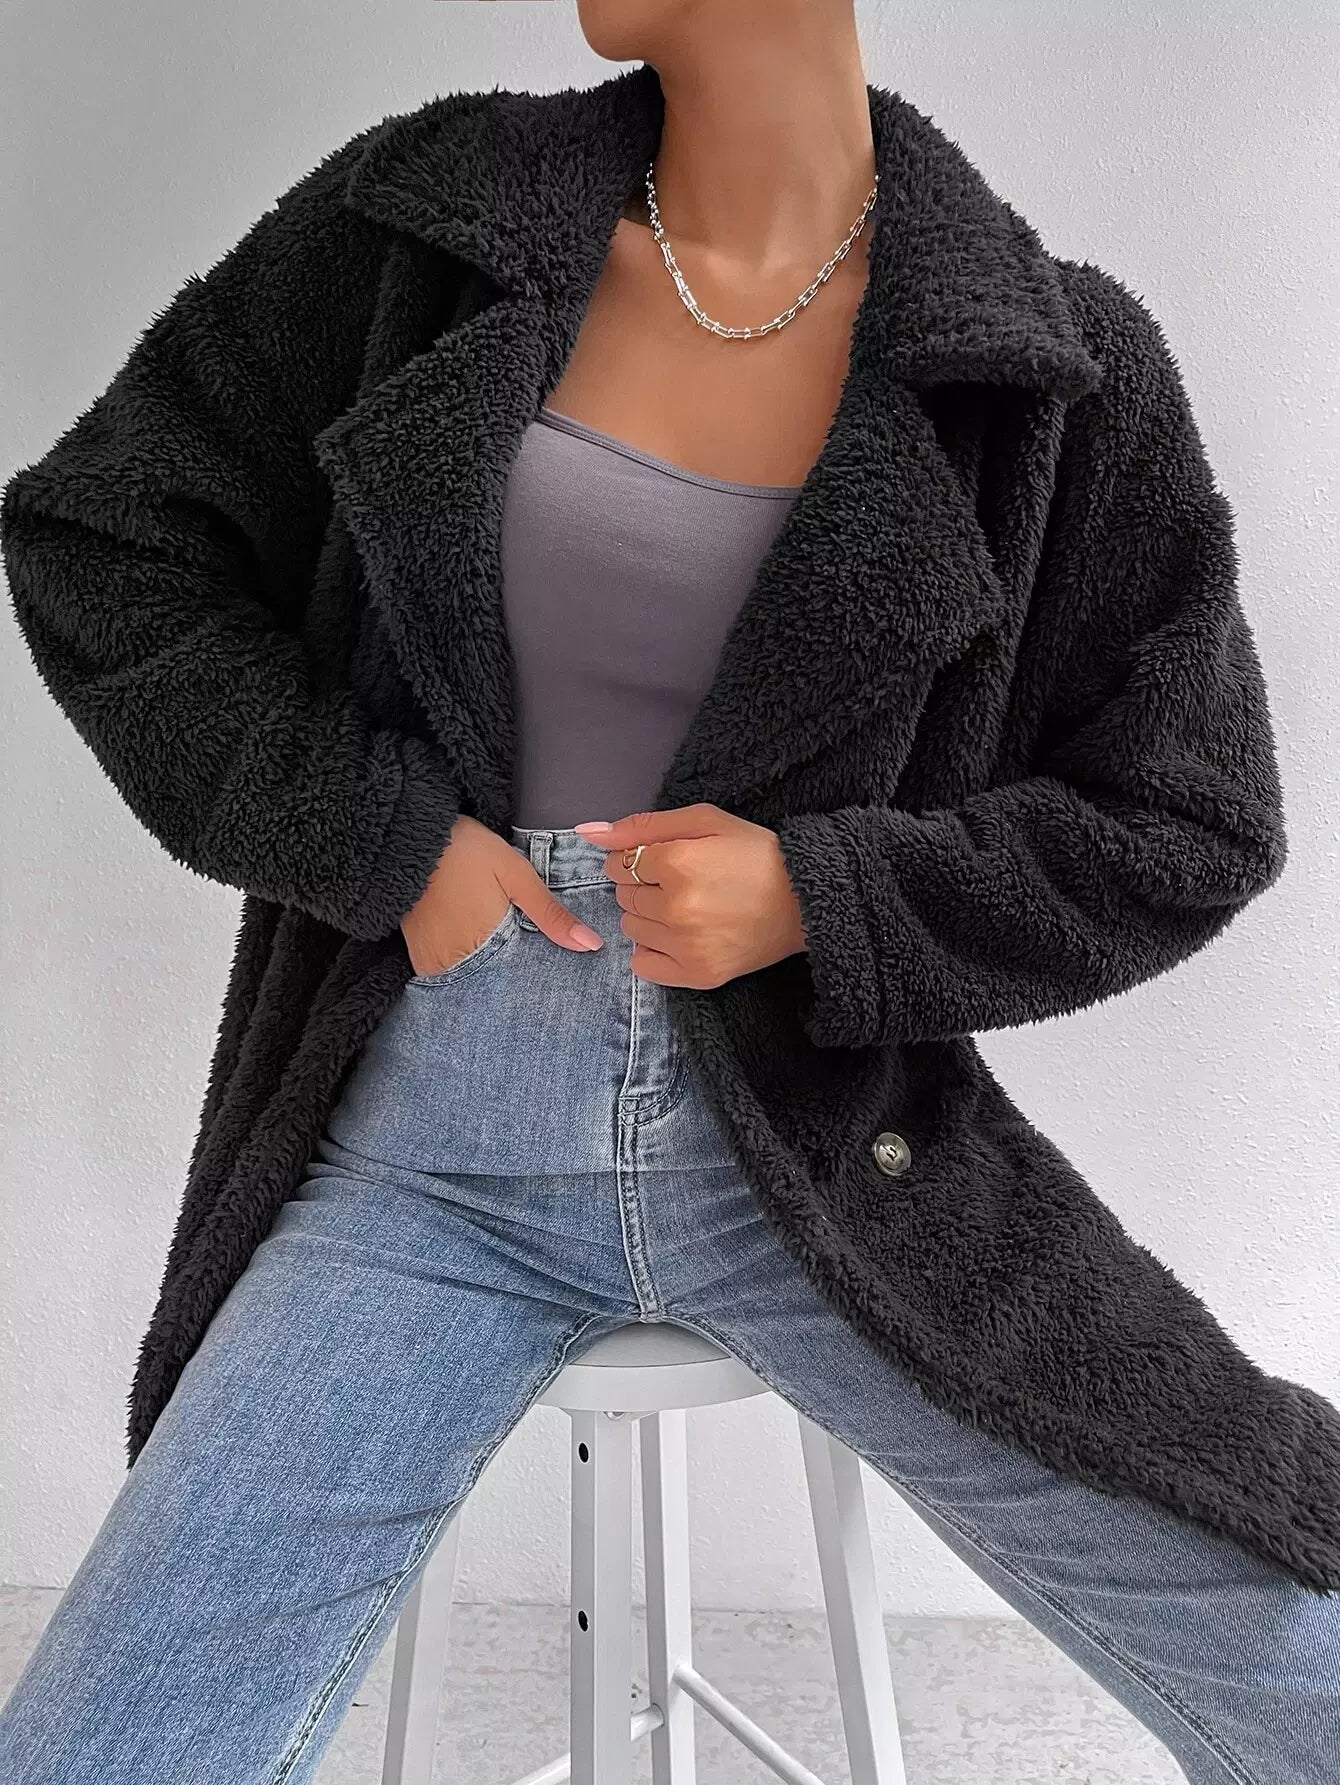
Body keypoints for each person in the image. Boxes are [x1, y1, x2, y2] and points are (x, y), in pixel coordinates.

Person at [3, 2, 1338, 1780]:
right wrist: (385, 837)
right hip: (424, 1155)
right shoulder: (429, 227)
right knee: (97, 1748)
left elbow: (1189, 813)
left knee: (1299, 1643)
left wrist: (824, 896)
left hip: (811, 1147)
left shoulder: (1052, 368)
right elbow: (100, 534)